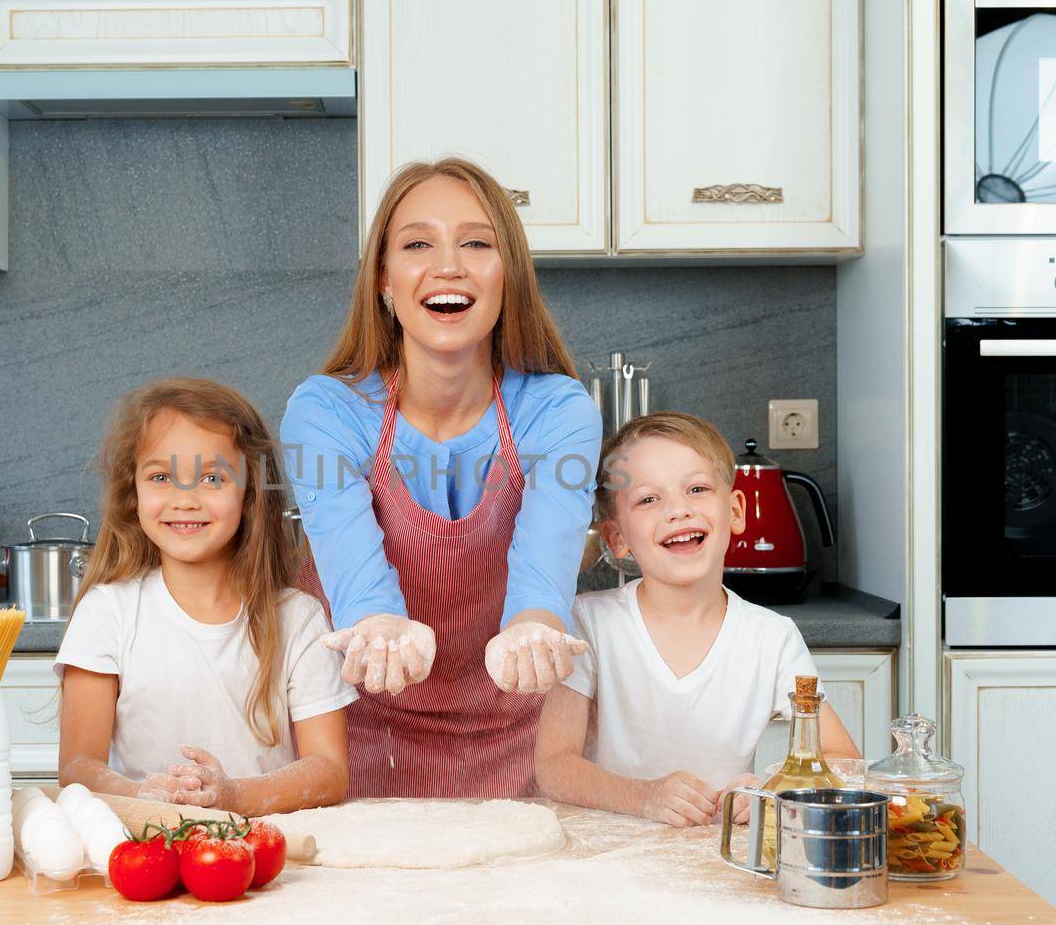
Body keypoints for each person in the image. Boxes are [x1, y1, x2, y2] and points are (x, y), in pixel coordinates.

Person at [281, 157, 604, 797]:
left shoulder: (559, 411)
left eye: (477, 243)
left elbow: (544, 573)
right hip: (362, 747)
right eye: (418, 243)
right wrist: (378, 626)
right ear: (384, 279)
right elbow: (356, 578)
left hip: (519, 749)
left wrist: (533, 631)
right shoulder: (324, 411)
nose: (448, 265)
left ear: (508, 274)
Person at [535, 411, 859, 826]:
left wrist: (771, 789)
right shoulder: (589, 623)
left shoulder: (771, 638)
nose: (678, 510)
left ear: (735, 510)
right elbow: (554, 766)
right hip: (609, 857)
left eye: (697, 488)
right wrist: (644, 797)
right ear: (617, 538)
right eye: (649, 499)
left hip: (721, 857)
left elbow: (842, 758)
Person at [55, 378, 356, 816]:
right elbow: (78, 767)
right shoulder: (106, 614)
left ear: (249, 495)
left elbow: (328, 770)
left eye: (213, 478)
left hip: (267, 854)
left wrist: (233, 796)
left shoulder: (298, 619)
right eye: (161, 477)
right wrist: (148, 797)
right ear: (132, 494)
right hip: (144, 847)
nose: (185, 500)